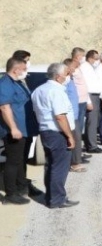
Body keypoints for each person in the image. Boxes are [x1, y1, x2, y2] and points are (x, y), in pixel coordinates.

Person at [31, 63, 79, 209]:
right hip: (57, 133)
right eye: (66, 73)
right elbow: (60, 116)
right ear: (58, 77)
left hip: (46, 131)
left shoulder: (38, 90)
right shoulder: (56, 91)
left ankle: (50, 196)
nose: (68, 76)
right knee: (59, 167)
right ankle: (57, 200)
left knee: (50, 166)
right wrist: (69, 136)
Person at [0, 58, 36, 204]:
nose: (25, 72)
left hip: (24, 128)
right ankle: (10, 194)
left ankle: (21, 187)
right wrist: (14, 128)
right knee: (13, 162)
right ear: (16, 70)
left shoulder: (18, 83)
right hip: (14, 130)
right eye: (24, 69)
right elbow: (4, 107)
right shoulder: (5, 84)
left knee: (21, 159)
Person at [80, 50, 102, 154]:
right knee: (92, 122)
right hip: (90, 96)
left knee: (94, 121)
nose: (98, 60)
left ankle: (90, 143)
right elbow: (85, 86)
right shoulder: (84, 68)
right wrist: (88, 100)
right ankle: (92, 146)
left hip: (95, 96)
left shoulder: (91, 68)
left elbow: (97, 84)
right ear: (90, 58)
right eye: (96, 58)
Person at [63, 58, 86, 173]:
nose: (75, 69)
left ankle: (76, 160)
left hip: (75, 114)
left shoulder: (70, 79)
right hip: (69, 116)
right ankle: (74, 163)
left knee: (77, 137)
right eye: (73, 67)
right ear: (68, 67)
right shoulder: (65, 81)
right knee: (74, 138)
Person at [70, 47, 92, 163]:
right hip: (77, 103)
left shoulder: (79, 67)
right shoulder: (71, 68)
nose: (83, 58)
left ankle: (79, 153)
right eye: (82, 56)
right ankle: (75, 157)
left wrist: (88, 100)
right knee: (76, 131)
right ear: (78, 56)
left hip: (82, 101)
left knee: (80, 130)